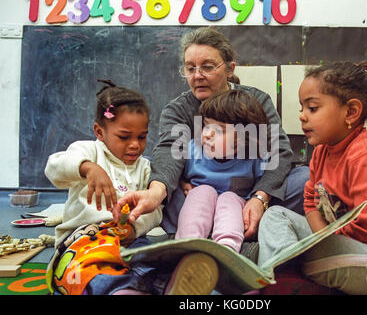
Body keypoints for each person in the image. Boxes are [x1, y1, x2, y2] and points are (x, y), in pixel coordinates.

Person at [113, 27, 309, 241]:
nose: (197, 76)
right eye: (190, 68)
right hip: (195, 198)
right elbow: (170, 151)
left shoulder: (256, 100)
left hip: (245, 195)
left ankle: (238, 227)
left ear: (230, 69)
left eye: (207, 67)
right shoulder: (178, 109)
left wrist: (260, 198)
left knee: (304, 179)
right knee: (147, 170)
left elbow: (278, 151)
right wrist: (157, 192)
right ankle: (211, 236)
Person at [257, 61, 367, 294]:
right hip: (339, 249)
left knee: (303, 254)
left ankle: (286, 274)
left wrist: (316, 245)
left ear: (351, 112)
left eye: (313, 109)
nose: (302, 117)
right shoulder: (321, 152)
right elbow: (309, 201)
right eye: (301, 109)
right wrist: (318, 238)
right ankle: (283, 277)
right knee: (275, 216)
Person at [44, 80, 167, 295]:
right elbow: (54, 168)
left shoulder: (145, 167)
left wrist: (134, 228)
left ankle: (159, 285)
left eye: (142, 136)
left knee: (154, 263)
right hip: (85, 240)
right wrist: (87, 168)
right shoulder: (88, 151)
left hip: (130, 241)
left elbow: (155, 210)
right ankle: (121, 290)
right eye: (124, 136)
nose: (135, 145)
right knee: (87, 272)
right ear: (100, 132)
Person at [175, 90, 270, 253]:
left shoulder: (255, 158)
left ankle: (226, 250)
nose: (207, 134)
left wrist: (257, 200)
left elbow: (265, 184)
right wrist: (183, 183)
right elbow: (175, 174)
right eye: (206, 125)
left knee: (229, 198)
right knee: (202, 192)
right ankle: (187, 246)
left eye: (219, 130)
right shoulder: (193, 150)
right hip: (198, 210)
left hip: (233, 219)